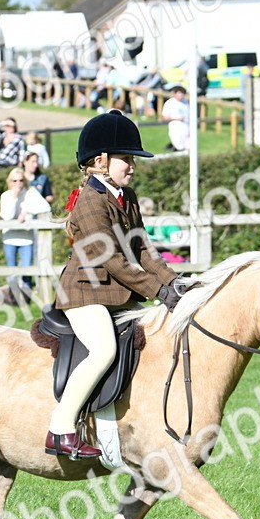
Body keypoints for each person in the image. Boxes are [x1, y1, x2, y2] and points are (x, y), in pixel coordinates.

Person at [47, 110, 181, 459]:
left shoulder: (127, 196)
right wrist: (156, 291)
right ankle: (61, 428)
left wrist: (174, 284)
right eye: (126, 158)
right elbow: (113, 261)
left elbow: (143, 250)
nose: (132, 165)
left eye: (132, 159)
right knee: (104, 349)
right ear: (100, 161)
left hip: (115, 295)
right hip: (84, 293)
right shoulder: (90, 201)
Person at [0, 167, 51, 295]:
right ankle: (13, 295)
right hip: (9, 237)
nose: (18, 184)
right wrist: (15, 197)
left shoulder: (30, 193)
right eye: (14, 181)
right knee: (12, 269)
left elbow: (45, 206)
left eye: (21, 180)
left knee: (27, 269)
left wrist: (26, 210)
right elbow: (7, 216)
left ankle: (26, 296)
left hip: (26, 238)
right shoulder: (5, 196)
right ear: (9, 181)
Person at [160, 85, 190, 151]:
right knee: (179, 146)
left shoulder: (186, 103)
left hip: (186, 127)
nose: (181, 95)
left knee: (189, 146)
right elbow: (164, 117)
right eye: (179, 93)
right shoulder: (170, 103)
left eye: (183, 94)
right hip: (175, 128)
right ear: (175, 94)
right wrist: (177, 119)